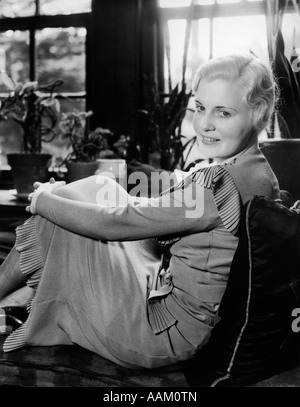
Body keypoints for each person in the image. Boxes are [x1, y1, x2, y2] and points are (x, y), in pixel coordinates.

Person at [0, 53, 280, 369]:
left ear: (258, 113)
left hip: (162, 332)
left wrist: (44, 200)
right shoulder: (259, 171)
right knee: (95, 187)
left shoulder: (216, 187)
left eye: (224, 113)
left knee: (55, 214)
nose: (205, 124)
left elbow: (117, 224)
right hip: (175, 302)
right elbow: (159, 210)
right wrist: (79, 196)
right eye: (200, 108)